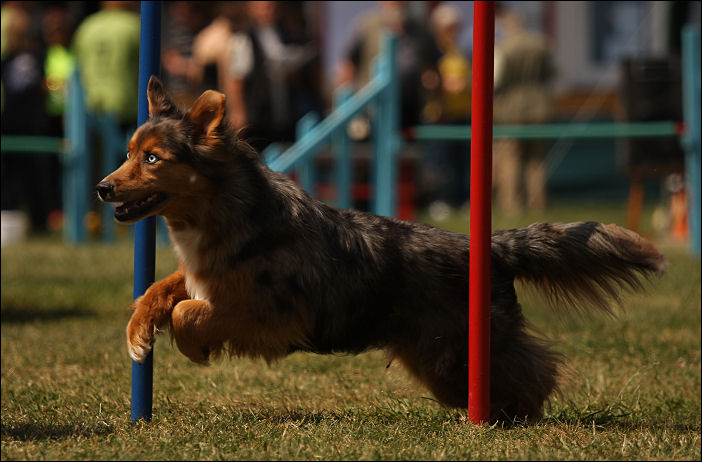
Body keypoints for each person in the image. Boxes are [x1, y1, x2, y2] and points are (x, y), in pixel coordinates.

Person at [225, 1, 316, 152]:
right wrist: (238, 111)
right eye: (263, 6)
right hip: (259, 113)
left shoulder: (286, 33)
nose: (268, 10)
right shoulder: (245, 37)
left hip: (284, 109)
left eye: (271, 6)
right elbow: (237, 77)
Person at [492, 3, 555, 215]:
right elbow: (552, 73)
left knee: (511, 158)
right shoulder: (540, 44)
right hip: (539, 107)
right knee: (536, 160)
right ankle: (537, 205)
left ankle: (511, 206)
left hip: (511, 108)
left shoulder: (503, 47)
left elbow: (496, 79)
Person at [337, 1, 434, 132]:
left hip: (410, 107)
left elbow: (432, 64)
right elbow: (347, 64)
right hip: (373, 107)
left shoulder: (419, 28)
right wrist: (347, 106)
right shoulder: (367, 25)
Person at [418, 3, 472, 217]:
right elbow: (427, 78)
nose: (453, 32)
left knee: (463, 161)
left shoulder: (459, 50)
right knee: (439, 162)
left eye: (456, 27)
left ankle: (463, 200)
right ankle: (439, 200)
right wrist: (444, 84)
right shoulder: (433, 51)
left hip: (461, 113)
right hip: (440, 115)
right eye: (449, 27)